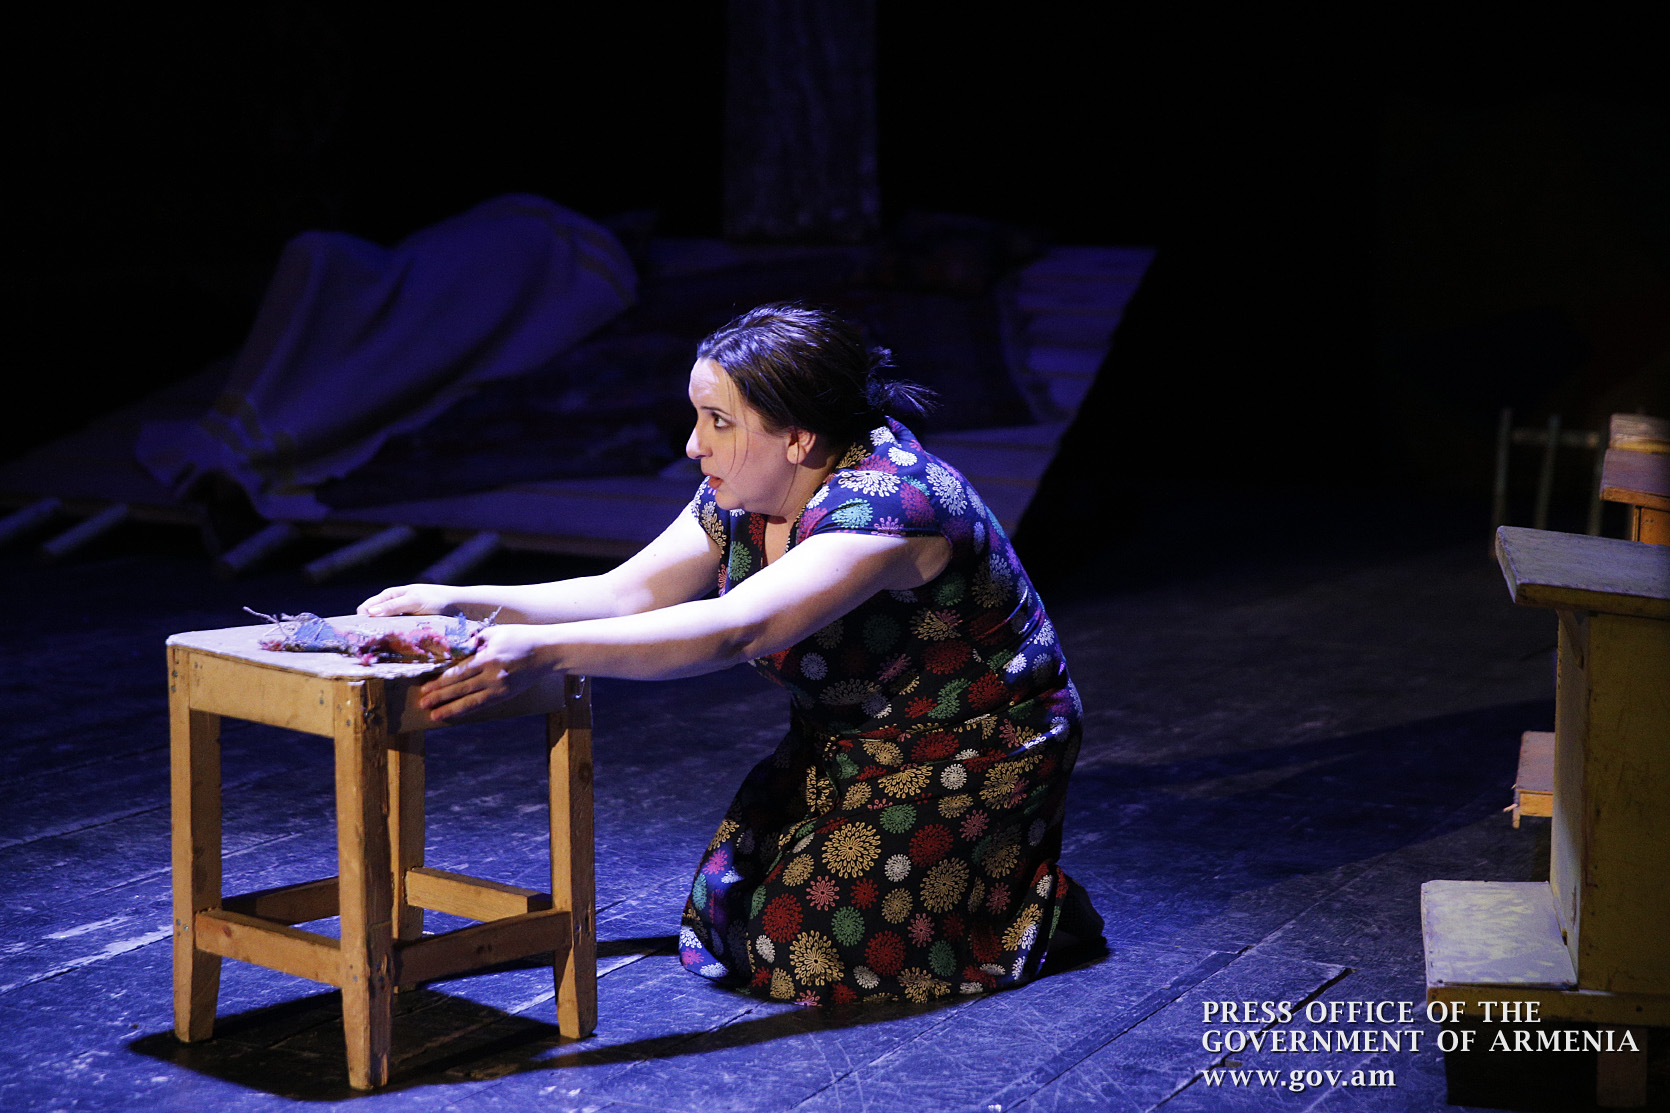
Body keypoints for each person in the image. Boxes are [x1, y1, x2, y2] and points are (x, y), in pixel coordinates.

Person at [360, 302, 1101, 1006]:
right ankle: (976, 889)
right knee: (729, 914)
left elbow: (736, 628)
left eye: (718, 421)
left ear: (798, 437)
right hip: (850, 741)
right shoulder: (744, 488)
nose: (693, 444)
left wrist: (539, 652)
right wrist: (458, 600)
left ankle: (1020, 899)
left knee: (808, 946)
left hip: (976, 748)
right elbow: (623, 593)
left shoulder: (889, 505)